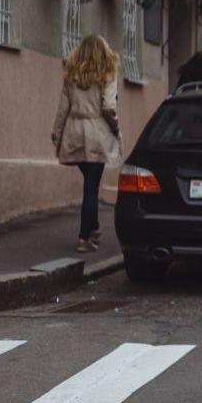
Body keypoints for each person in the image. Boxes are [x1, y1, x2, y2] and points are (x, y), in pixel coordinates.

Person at [51, 34, 122, 253]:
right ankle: (84, 237)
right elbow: (109, 107)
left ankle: (93, 228)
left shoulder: (71, 74)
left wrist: (57, 134)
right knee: (91, 187)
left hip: (74, 132)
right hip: (98, 134)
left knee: (90, 184)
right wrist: (116, 128)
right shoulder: (107, 72)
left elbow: (63, 107)